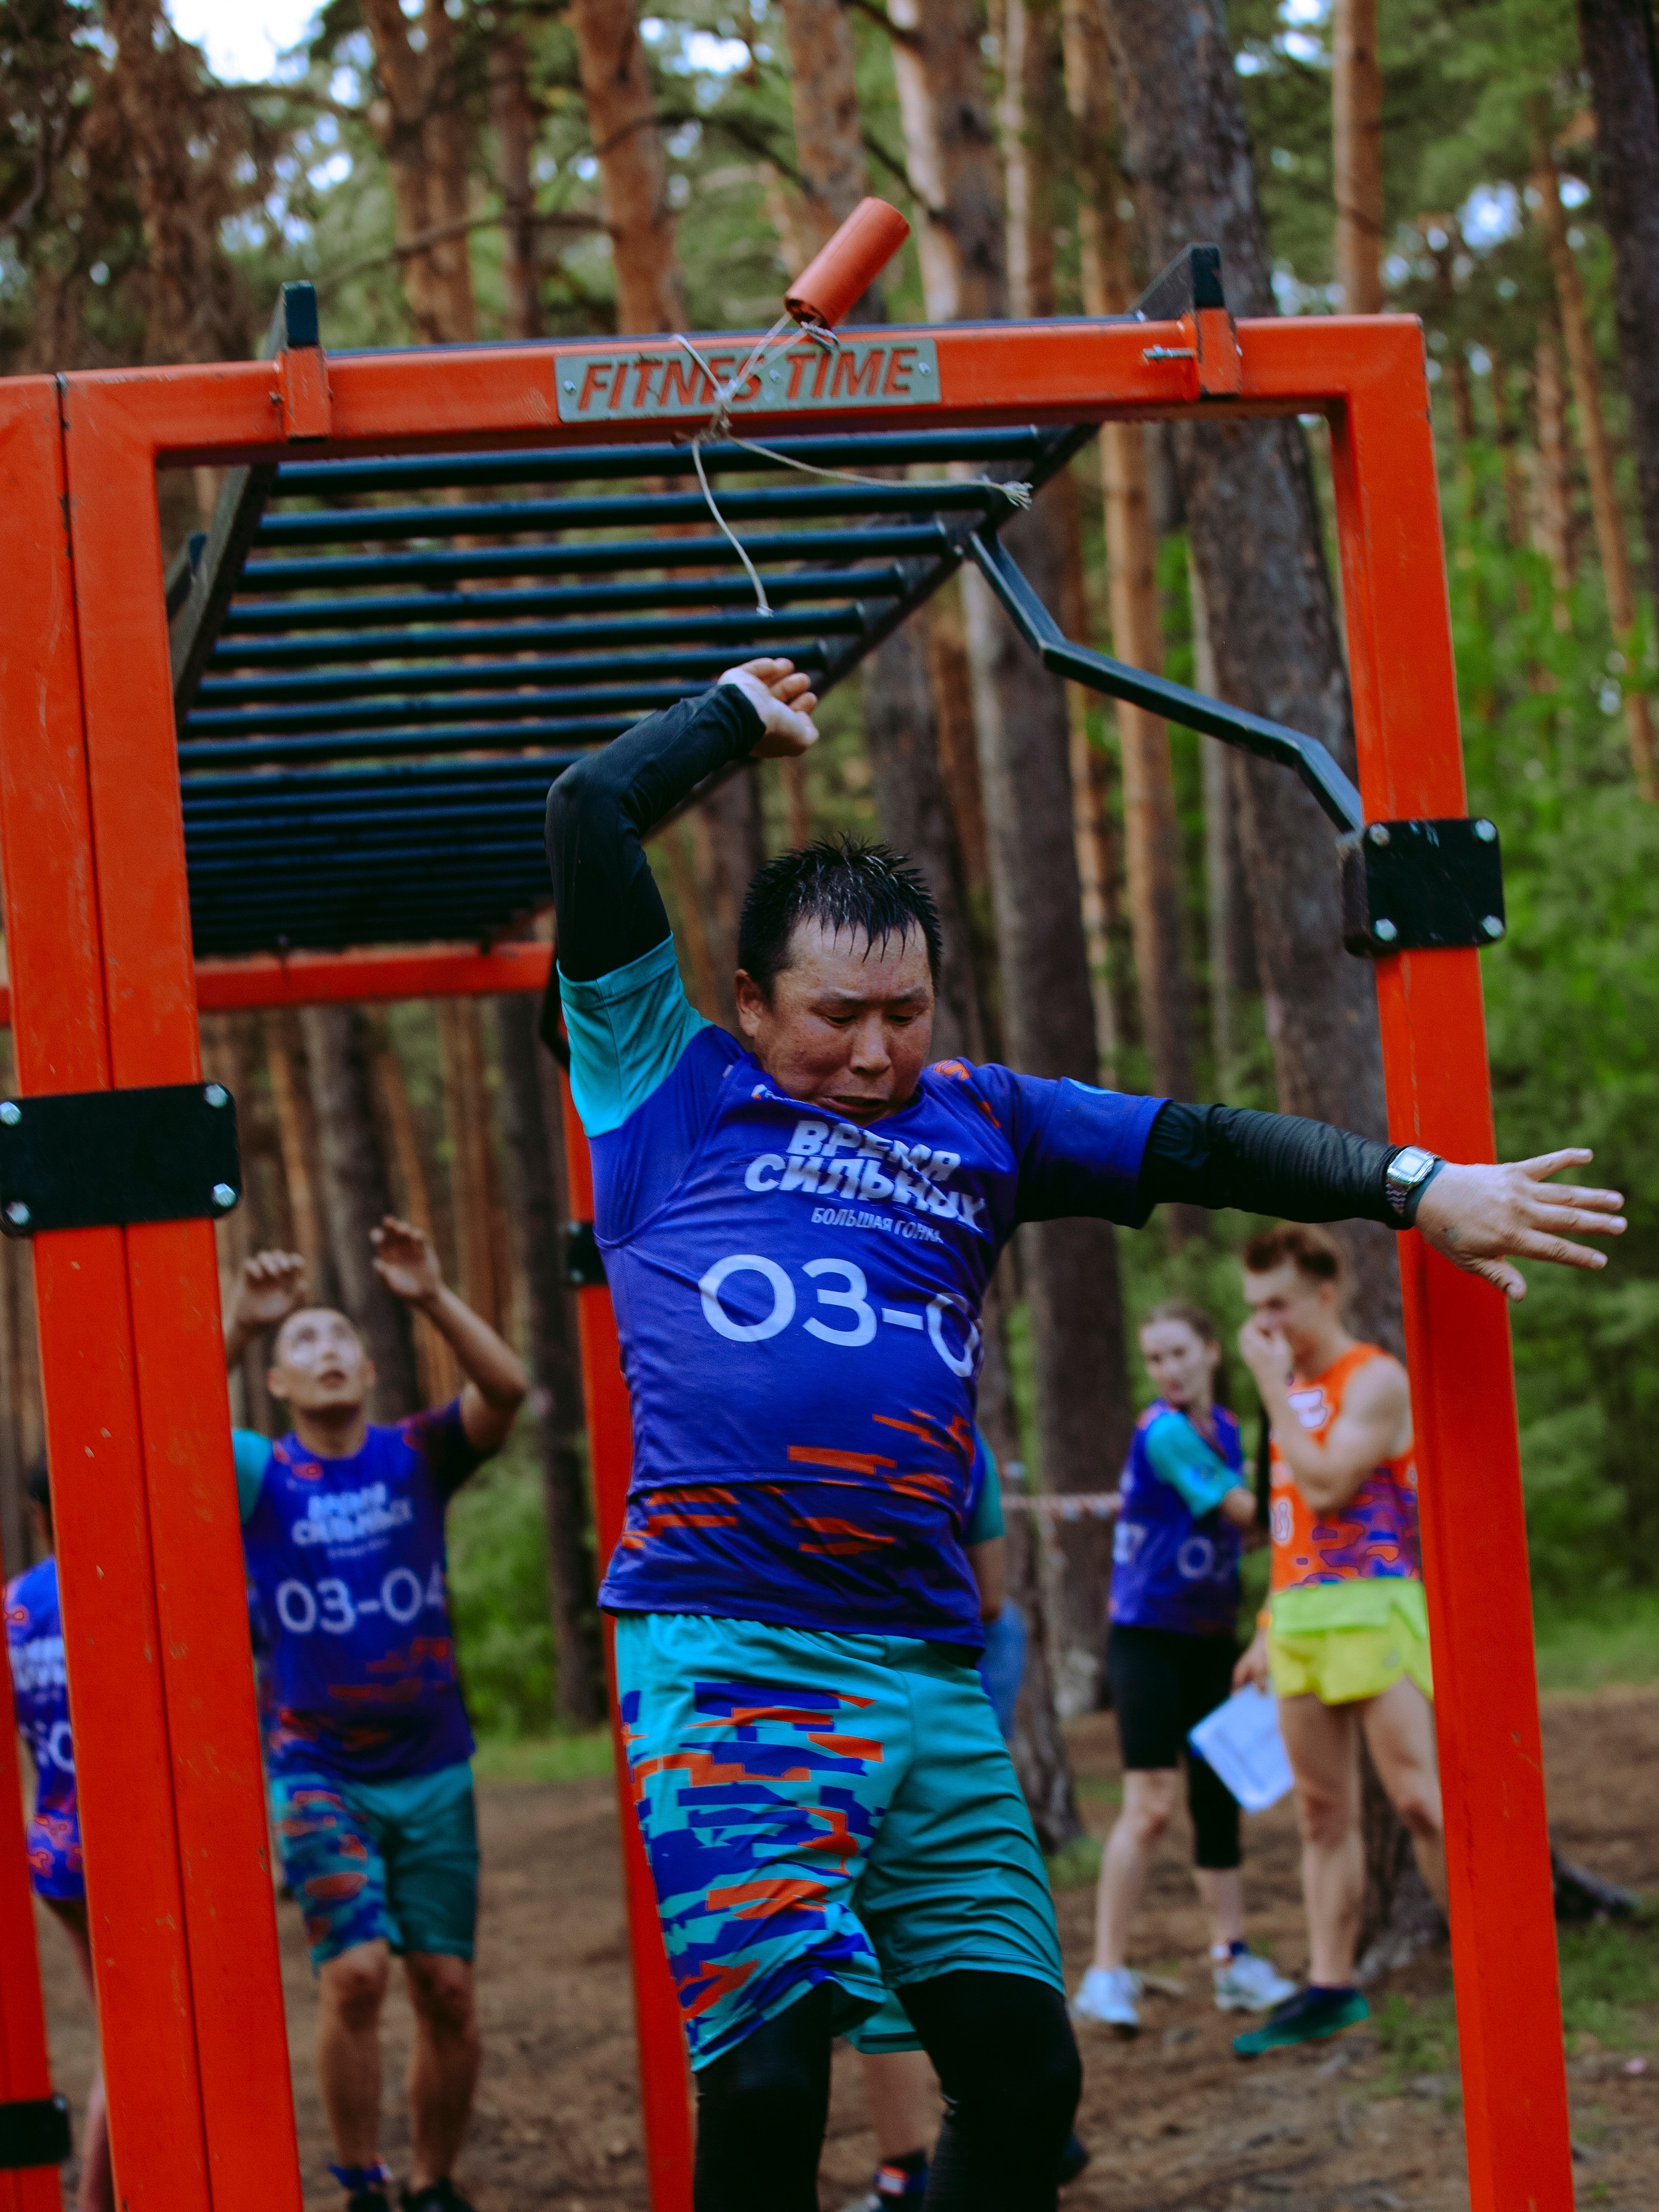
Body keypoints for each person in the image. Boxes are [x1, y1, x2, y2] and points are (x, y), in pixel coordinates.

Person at [544, 655, 1623, 2212]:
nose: (871, 1051)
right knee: (772, 2071)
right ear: (750, 1004)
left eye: (904, 1012)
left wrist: (1412, 1182)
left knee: (1027, 2077)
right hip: (729, 1649)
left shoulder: (975, 1116)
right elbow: (587, 812)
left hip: (922, 1666)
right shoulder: (662, 1086)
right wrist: (728, 717)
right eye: (835, 1015)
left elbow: (1195, 1138)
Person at [222, 1224, 529, 2212]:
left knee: (447, 1989)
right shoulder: (260, 1476)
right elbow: (169, 1418)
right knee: (353, 1974)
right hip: (317, 1767)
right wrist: (240, 1321)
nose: (324, 1352)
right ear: (276, 1385)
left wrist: (432, 1294)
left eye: (338, 1338)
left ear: (365, 1364)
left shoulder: (415, 1455)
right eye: (301, 1344)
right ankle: (361, 2185)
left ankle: (434, 2185)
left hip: (434, 1763)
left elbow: (508, 1391)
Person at [1229, 1223, 1443, 2058]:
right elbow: (1286, 1529)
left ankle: (1482, 1961)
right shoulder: (1283, 1387)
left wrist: (1273, 1388)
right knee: (1321, 1814)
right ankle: (1329, 1986)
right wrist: (1264, 1625)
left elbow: (1324, 1487)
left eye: (1278, 1303)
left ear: (1324, 1293)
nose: (1265, 1322)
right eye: (1253, 1308)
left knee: (1421, 1801)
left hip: (1377, 1604)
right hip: (1299, 1617)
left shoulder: (1373, 1379)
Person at [1073, 1301, 1295, 2036]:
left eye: (1177, 1353)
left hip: (1208, 1634)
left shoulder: (1224, 1429)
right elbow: (1249, 1515)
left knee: (1216, 1795)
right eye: (1154, 1358)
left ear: (1207, 1349)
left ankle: (1231, 1959)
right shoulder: (1163, 1432)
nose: (1166, 1371)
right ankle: (1105, 1971)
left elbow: (1254, 1538)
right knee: (1150, 1801)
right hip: (1146, 1637)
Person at [5, 1460, 113, 2212]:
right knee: (131, 2039)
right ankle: (98, 2197)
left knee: (121, 2027)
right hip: (117, 1845)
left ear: (39, 1516)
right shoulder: (119, 1583)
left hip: (53, 1842)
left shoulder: (13, 1605)